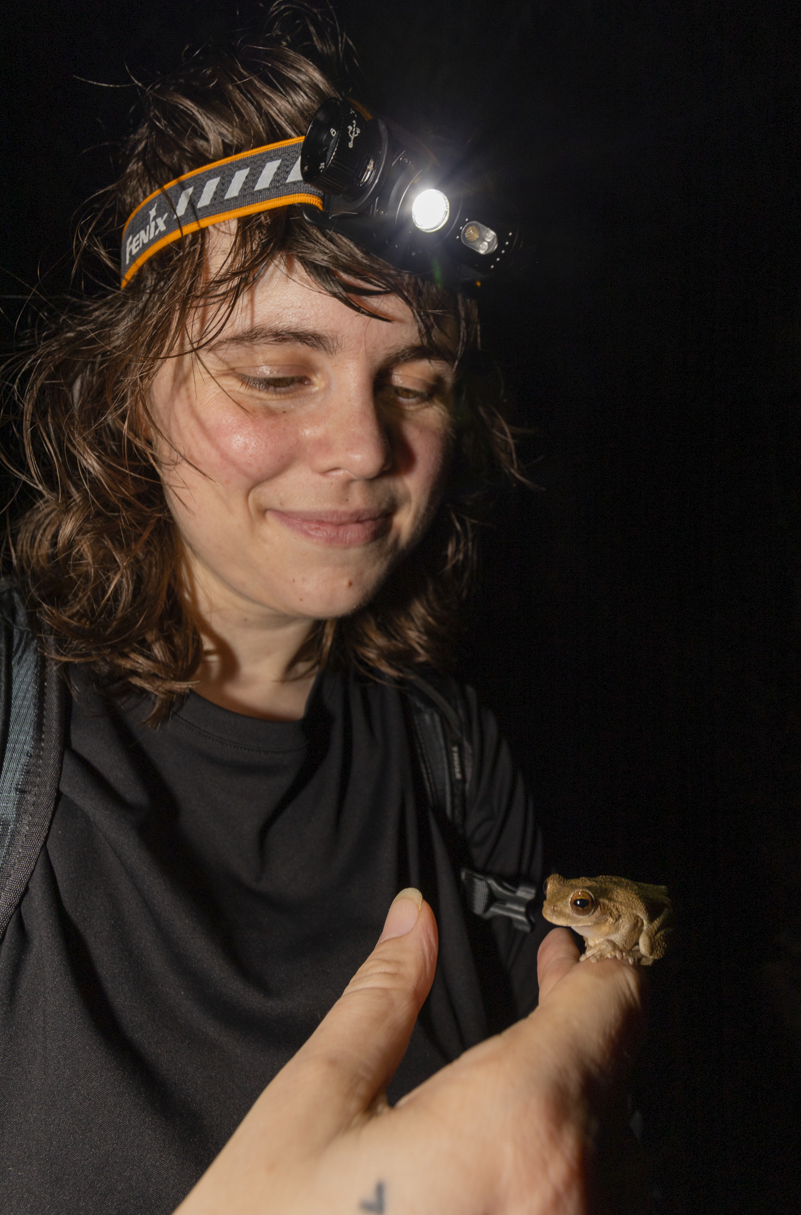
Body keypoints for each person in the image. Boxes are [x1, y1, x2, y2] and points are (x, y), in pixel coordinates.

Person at [0, 5, 648, 1212]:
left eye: (419, 384)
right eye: (274, 374)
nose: (363, 446)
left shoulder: (458, 758)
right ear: (124, 392)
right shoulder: (16, 741)